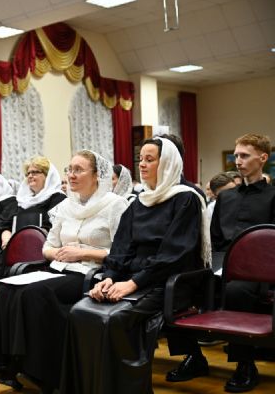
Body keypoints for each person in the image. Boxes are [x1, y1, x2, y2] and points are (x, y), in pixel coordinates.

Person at [60, 137, 206, 394]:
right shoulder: (139, 202)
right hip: (131, 279)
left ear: (167, 163)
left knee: (115, 319)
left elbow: (173, 255)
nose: (142, 164)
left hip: (166, 282)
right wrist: (108, 277)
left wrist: (132, 283)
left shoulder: (186, 200)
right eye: (141, 159)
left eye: (150, 159)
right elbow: (121, 248)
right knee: (79, 312)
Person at [0, 151, 129, 393]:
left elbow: (122, 252)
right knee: (7, 289)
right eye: (69, 169)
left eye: (78, 170)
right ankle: (8, 364)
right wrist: (59, 253)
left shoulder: (115, 205)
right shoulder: (65, 206)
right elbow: (47, 247)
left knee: (34, 294)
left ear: (96, 175)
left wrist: (81, 253)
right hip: (59, 268)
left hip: (90, 273)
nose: (71, 175)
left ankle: (41, 373)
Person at [166, 133, 275, 393]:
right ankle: (193, 356)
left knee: (235, 291)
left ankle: (245, 364)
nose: (238, 160)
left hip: (258, 271)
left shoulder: (273, 196)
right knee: (175, 287)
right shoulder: (226, 197)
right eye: (236, 155)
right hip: (220, 264)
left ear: (263, 158)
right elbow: (213, 240)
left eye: (244, 155)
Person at [0, 156, 66, 248]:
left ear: (48, 176)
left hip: (45, 249)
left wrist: (31, 242)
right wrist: (7, 241)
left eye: (35, 172)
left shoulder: (57, 198)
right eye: (28, 173)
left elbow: (52, 227)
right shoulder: (20, 200)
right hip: (15, 248)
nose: (30, 176)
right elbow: (5, 225)